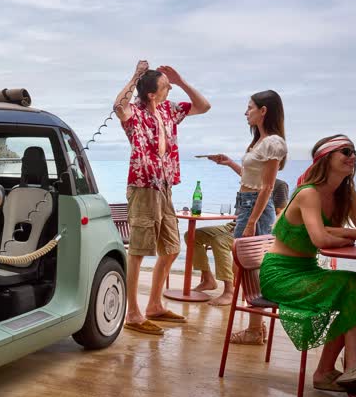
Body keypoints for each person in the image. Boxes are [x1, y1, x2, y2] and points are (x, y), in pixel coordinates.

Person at [114, 60, 211, 335]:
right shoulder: (135, 113)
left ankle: (154, 305)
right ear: (152, 94)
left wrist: (181, 81)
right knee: (139, 251)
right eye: (166, 86)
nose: (170, 89)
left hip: (165, 187)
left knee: (171, 248)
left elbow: (204, 106)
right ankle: (133, 313)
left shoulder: (170, 111)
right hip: (143, 187)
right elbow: (118, 106)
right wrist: (135, 76)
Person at [261, 135, 356, 392]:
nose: (353, 157)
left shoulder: (346, 194)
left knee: (355, 289)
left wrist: (339, 232)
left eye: (355, 153)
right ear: (326, 158)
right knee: (354, 285)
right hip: (281, 275)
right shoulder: (309, 193)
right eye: (345, 151)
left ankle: (333, 371)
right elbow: (319, 239)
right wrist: (339, 233)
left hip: (307, 270)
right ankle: (348, 365)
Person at [205, 90, 287, 343]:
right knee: (247, 266)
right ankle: (256, 326)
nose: (246, 112)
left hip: (255, 209)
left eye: (250, 107)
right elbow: (252, 180)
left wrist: (251, 221)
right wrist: (230, 163)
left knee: (252, 267)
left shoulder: (273, 142)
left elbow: (267, 187)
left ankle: (254, 328)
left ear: (264, 111)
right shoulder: (259, 143)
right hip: (247, 204)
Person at [192, 179, 289, 306]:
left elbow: (280, 214)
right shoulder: (249, 181)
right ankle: (208, 279)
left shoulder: (278, 185)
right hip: (234, 223)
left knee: (219, 240)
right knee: (193, 235)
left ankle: (229, 291)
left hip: (252, 229)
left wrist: (252, 223)